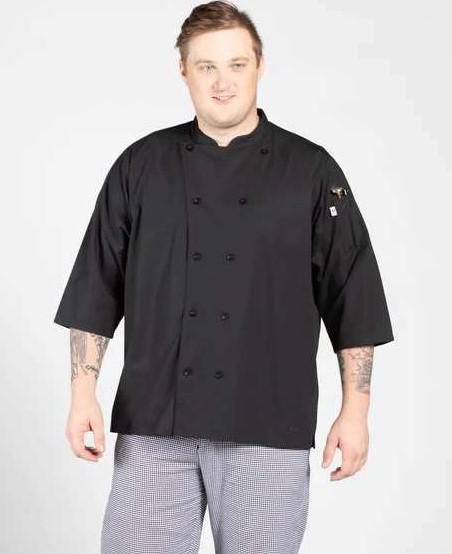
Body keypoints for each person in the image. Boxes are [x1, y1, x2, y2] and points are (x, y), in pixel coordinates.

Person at [54, 2, 394, 552]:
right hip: (154, 426)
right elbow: (97, 285)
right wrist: (82, 395)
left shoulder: (310, 170)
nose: (222, 82)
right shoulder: (141, 165)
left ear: (260, 66)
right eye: (206, 66)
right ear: (183, 71)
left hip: (268, 428)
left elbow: (353, 298)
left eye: (236, 64)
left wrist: (355, 415)